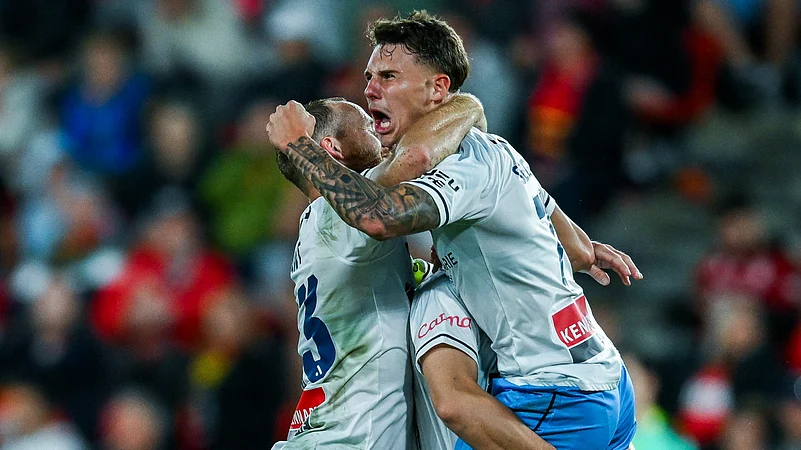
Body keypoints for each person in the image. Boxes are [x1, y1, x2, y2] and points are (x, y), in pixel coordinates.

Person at [266, 10, 641, 449]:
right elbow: (576, 249)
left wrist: (298, 144)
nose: (370, 91)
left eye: (387, 76)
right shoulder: (340, 217)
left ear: (437, 86)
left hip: (550, 392)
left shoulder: (450, 174)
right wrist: (468, 106)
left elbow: (399, 187)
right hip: (603, 378)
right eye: (370, 78)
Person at [270, 94, 498, 449]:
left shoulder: (320, 235)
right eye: (364, 123)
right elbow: (416, 157)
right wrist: (468, 105)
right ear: (331, 149)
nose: (377, 128)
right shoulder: (332, 217)